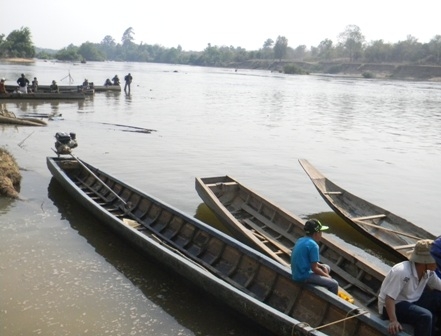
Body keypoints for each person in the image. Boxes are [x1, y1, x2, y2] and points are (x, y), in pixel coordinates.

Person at [378, 239, 441, 335]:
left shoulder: (429, 272)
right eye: (435, 261)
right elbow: (389, 298)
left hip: (411, 302)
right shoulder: (402, 271)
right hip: (392, 306)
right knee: (425, 316)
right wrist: (393, 321)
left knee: (438, 298)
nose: (437, 265)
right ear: (425, 261)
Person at [291, 219, 338, 295]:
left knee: (326, 267)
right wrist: (328, 276)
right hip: (303, 276)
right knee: (334, 284)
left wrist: (321, 266)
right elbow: (314, 268)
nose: (321, 234)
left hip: (296, 273)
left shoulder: (300, 240)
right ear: (316, 233)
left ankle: (322, 285)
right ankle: (332, 303)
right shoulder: (314, 245)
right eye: (320, 232)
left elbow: (310, 261)